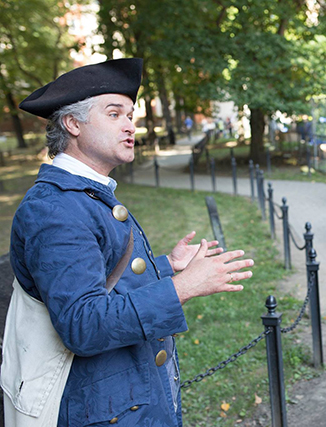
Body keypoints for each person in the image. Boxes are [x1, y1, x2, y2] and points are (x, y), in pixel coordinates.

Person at [2, 59, 254, 426]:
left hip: (121, 398)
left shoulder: (83, 192)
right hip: (99, 409)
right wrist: (180, 288)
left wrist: (166, 266)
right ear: (73, 124)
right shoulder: (54, 208)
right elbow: (82, 324)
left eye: (130, 115)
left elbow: (98, 275)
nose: (130, 125)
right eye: (114, 113)